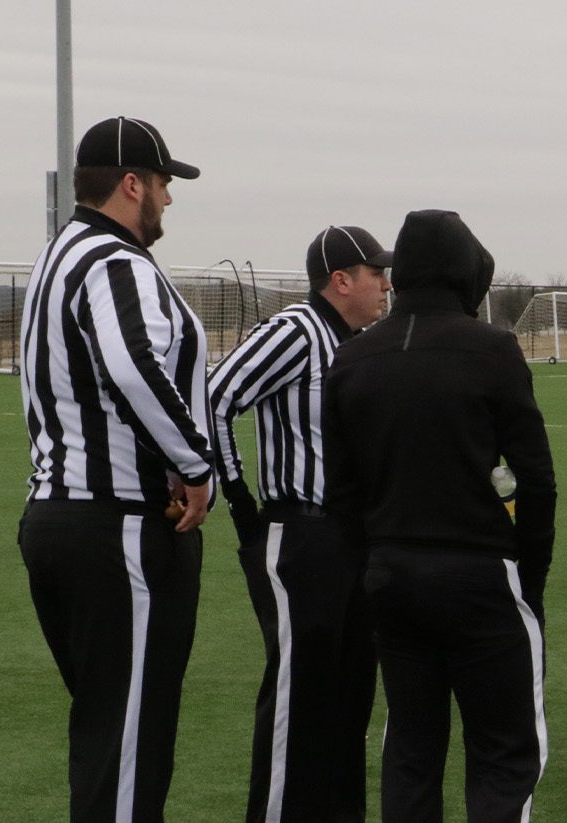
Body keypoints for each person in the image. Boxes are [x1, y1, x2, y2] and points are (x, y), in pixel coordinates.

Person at [321, 210, 555, 823]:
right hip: (479, 570)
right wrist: (530, 575)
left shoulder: (353, 358)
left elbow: (341, 497)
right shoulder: (492, 350)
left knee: (412, 749)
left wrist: (370, 567)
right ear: (465, 271)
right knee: (504, 752)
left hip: (392, 576)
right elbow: (536, 479)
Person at [16, 115, 211, 822]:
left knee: (107, 730)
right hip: (119, 523)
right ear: (132, 184)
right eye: (161, 182)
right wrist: (196, 464)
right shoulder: (114, 261)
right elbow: (133, 366)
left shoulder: (57, 253)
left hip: (58, 514)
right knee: (129, 743)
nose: (167, 198)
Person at [206, 225, 395, 822]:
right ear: (341, 280)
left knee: (348, 699)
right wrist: (240, 505)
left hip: (353, 542)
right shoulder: (295, 330)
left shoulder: (361, 341)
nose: (387, 284)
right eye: (376, 273)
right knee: (299, 698)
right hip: (302, 535)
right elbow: (214, 399)